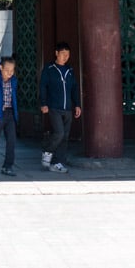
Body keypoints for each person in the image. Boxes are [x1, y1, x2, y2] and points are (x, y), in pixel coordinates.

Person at [39, 41, 82, 173]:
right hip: (54, 107)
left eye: (67, 54)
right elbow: (43, 86)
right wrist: (43, 103)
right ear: (56, 53)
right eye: (63, 54)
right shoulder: (49, 69)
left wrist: (77, 105)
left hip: (68, 108)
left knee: (65, 136)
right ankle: (47, 150)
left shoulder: (70, 70)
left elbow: (74, 88)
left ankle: (59, 162)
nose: (65, 57)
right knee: (59, 133)